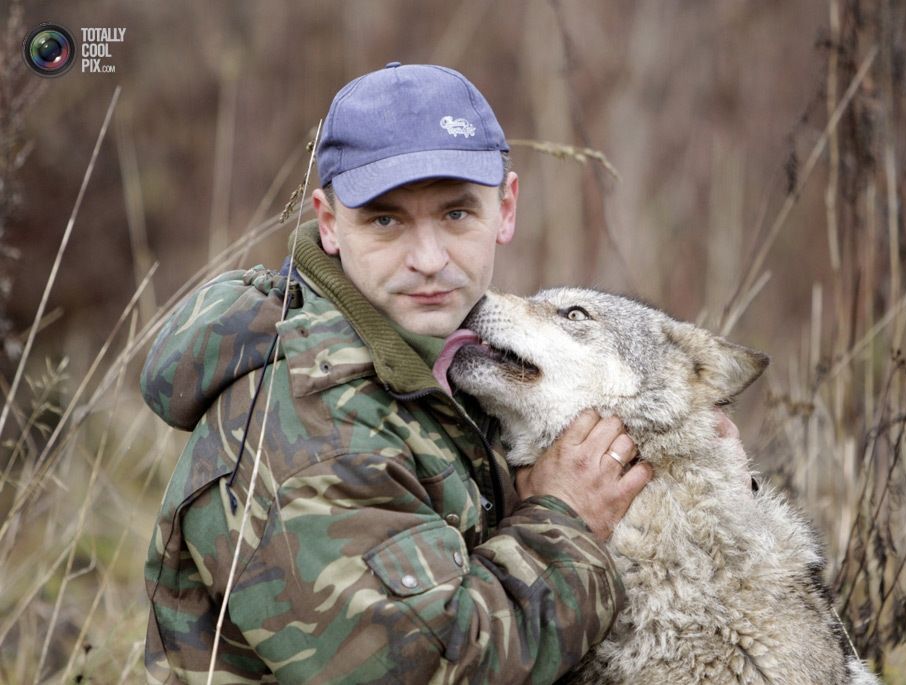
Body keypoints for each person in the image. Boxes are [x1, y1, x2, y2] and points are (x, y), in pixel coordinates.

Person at [141, 63, 653, 684]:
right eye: (386, 221)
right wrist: (565, 518)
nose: (430, 260)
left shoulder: (444, 361)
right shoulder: (312, 434)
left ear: (506, 207)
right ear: (329, 222)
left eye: (457, 215)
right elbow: (432, 669)